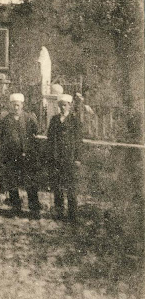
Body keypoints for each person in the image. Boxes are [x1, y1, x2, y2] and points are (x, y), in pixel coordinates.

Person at [0, 93, 40, 218]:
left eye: (18, 105)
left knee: (30, 183)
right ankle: (16, 208)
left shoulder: (28, 118)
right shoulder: (6, 120)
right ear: (10, 105)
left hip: (26, 156)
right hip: (11, 157)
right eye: (13, 105)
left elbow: (36, 133)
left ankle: (34, 210)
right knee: (12, 183)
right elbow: (3, 138)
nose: (16, 107)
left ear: (22, 105)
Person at [46, 94, 83, 222]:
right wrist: (50, 156)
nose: (63, 107)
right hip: (56, 158)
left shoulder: (75, 120)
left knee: (71, 187)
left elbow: (79, 141)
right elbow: (50, 140)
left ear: (70, 106)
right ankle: (59, 212)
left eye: (65, 105)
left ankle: (72, 215)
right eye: (61, 105)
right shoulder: (54, 120)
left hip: (70, 158)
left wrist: (77, 158)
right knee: (58, 186)